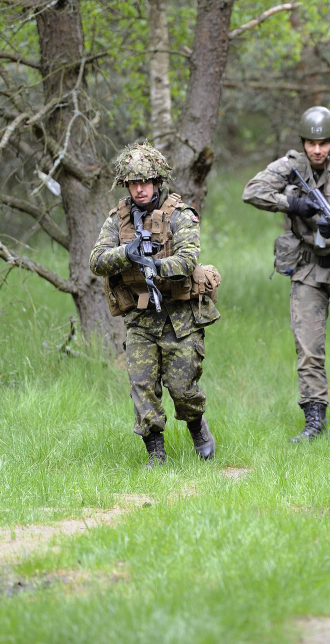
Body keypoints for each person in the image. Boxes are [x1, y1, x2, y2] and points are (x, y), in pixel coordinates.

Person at [242, 106, 330, 442]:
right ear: (303, 142)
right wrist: (290, 204)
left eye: (322, 143)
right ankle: (314, 421)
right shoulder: (292, 165)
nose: (316, 149)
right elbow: (251, 191)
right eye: (310, 143)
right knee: (308, 349)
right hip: (307, 270)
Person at [90, 142, 219, 467]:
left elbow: (189, 258)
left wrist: (158, 266)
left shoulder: (181, 215)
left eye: (146, 181)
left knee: (183, 388)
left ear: (158, 181)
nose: (140, 188)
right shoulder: (116, 220)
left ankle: (197, 427)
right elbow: (96, 259)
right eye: (134, 183)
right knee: (142, 387)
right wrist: (126, 253)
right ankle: (156, 455)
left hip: (180, 318)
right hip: (139, 320)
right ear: (126, 185)